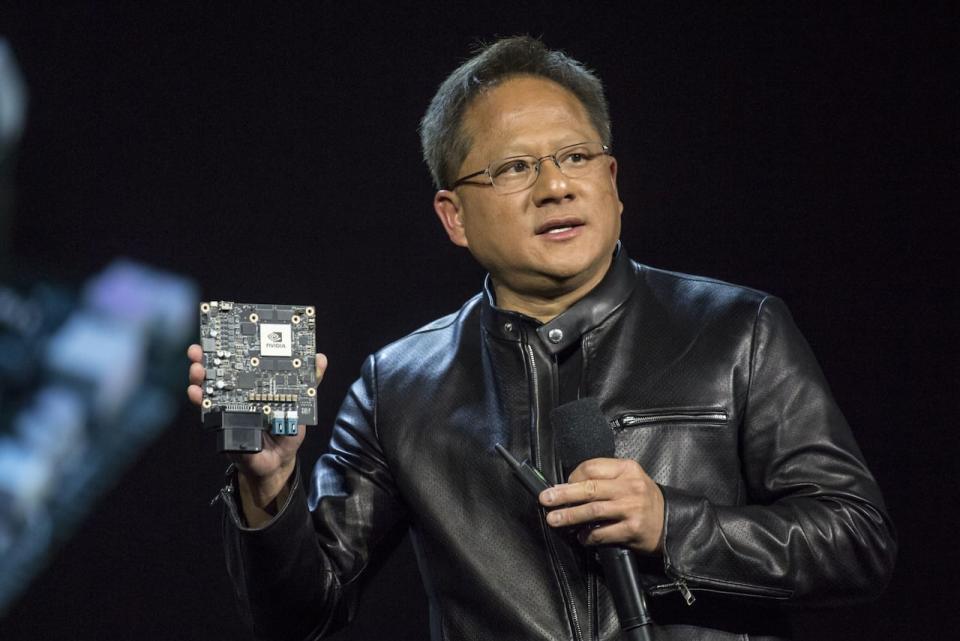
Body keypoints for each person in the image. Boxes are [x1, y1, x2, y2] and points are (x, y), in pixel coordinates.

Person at [187, 36, 895, 641]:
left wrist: (670, 523)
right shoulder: (396, 384)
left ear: (612, 182)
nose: (555, 185)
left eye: (576, 157)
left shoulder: (738, 329)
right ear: (454, 216)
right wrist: (270, 487)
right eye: (514, 168)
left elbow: (857, 542)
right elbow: (299, 616)